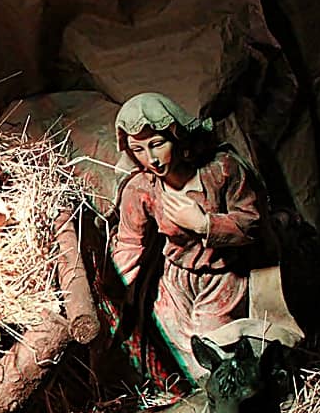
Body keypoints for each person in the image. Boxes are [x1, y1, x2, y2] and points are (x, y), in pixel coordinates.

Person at [111, 93, 275, 381]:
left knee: (214, 351)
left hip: (223, 276)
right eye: (138, 149)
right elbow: (129, 243)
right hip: (175, 280)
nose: (151, 159)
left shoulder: (221, 170)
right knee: (176, 350)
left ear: (178, 136)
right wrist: (121, 289)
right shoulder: (141, 188)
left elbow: (253, 224)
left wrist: (204, 224)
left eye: (157, 144)